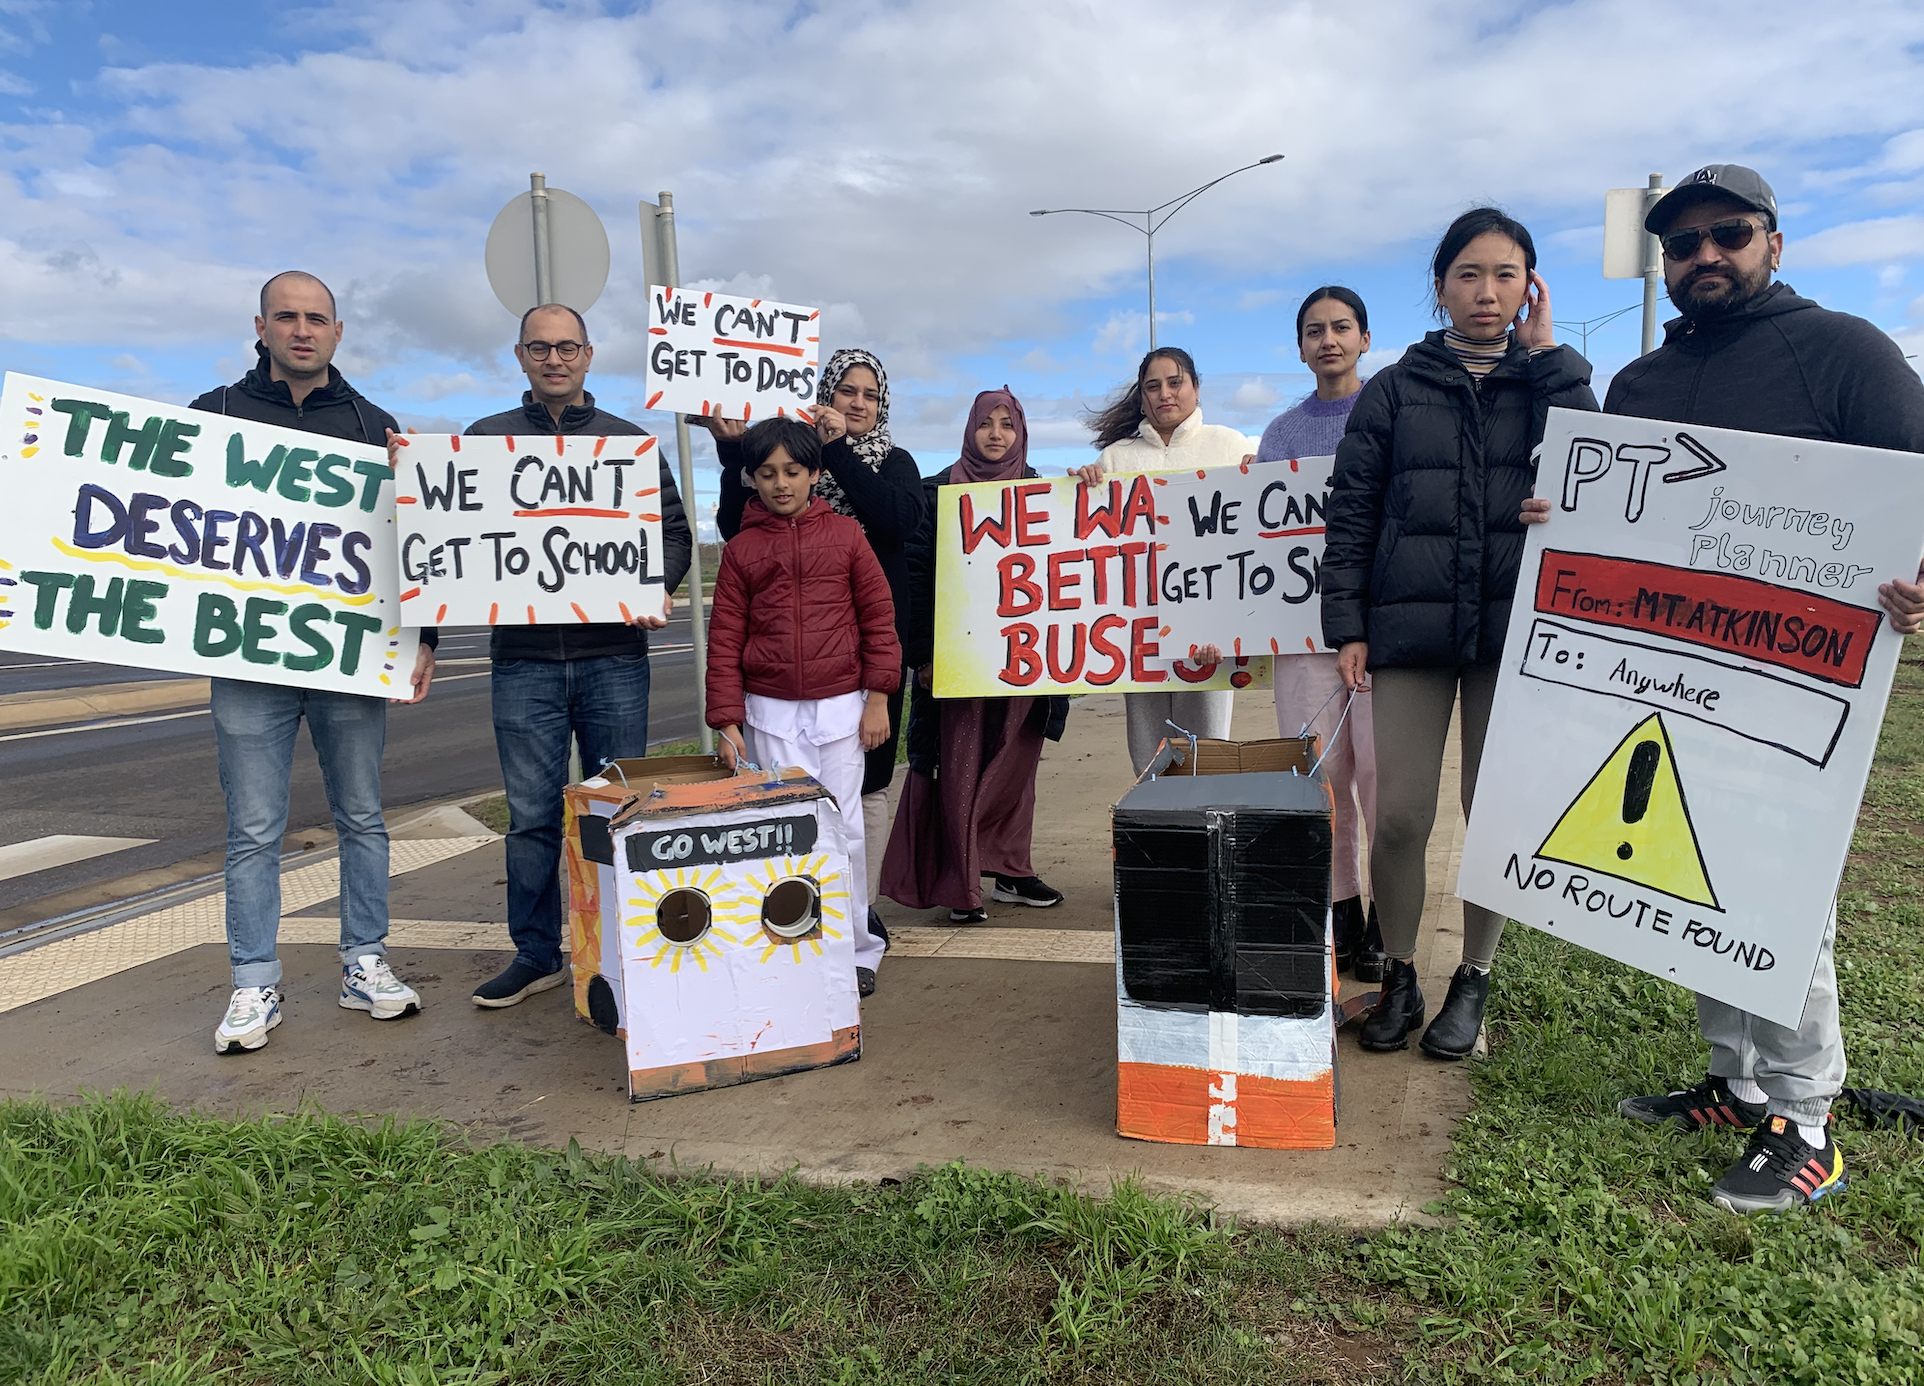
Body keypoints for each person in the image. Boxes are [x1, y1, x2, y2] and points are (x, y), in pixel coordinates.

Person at [1522, 164, 1924, 1214]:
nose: (1703, 255)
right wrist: (1556, 517)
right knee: (1688, 877)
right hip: (1669, 673)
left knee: (1783, 886)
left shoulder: (1846, 353)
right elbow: (1616, 514)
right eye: (1682, 242)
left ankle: (1806, 1118)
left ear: (1773, 243)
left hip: (1799, 678)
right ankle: (1734, 1080)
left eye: (1727, 234)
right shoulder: (1641, 385)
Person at [1322, 208, 1598, 1061]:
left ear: (1532, 286)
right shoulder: (1395, 390)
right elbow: (1354, 511)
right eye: (1470, 275)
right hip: (1408, 630)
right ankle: (1399, 972)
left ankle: (1473, 975)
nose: (1488, 293)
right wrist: (1348, 624)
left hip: (1514, 630)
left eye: (1507, 275)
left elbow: (1598, 468)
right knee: (1400, 815)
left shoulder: (1547, 380)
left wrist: (1552, 361)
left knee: (1496, 814)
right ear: (1440, 287)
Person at [189, 270, 438, 1054]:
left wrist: (425, 640)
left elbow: (414, 545)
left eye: (317, 319)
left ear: (337, 333)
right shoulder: (213, 416)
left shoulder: (375, 425)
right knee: (253, 827)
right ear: (260, 327)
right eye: (287, 317)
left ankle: (365, 960)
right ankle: (253, 979)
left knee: (361, 815)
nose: (302, 330)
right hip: (248, 658)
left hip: (350, 659)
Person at [464, 304, 692, 1009]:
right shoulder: (483, 440)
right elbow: (449, 538)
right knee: (530, 815)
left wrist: (656, 585)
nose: (554, 358)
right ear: (521, 355)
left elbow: (675, 532)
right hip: (523, 660)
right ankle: (536, 953)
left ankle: (625, 948)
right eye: (541, 347)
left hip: (613, 659)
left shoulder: (628, 445)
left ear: (589, 355)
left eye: (567, 347)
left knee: (617, 811)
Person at [704, 348, 924, 948]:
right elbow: (727, 618)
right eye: (845, 391)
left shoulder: (882, 476)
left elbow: (892, 529)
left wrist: (878, 691)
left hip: (851, 685)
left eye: (869, 395)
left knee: (855, 809)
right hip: (775, 702)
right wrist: (733, 451)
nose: (857, 402)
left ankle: (858, 927)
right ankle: (797, 936)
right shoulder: (751, 539)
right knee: (784, 823)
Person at [883, 388, 1069, 923]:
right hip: (959, 665)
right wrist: (923, 654)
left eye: (1007, 424)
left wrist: (1086, 491)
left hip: (1026, 662)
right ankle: (959, 884)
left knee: (1015, 769)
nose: (995, 434)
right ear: (968, 429)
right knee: (959, 768)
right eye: (985, 423)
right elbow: (916, 578)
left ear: (1021, 433)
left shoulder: (1045, 494)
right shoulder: (937, 492)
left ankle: (1010, 868)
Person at [1257, 287, 1382, 979]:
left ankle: (1391, 923)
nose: (1328, 339)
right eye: (1314, 330)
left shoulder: (1391, 412)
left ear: (1365, 337)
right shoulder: (1279, 435)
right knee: (1321, 782)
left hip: (1382, 632)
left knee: (1383, 782)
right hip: (1303, 635)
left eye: (1341, 327)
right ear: (1300, 347)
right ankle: (1344, 913)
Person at [1074, 348, 1256, 774]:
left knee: (1207, 753)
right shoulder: (1116, 458)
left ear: (1195, 387)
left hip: (1211, 629)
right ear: (1141, 398)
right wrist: (1082, 489)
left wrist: (1258, 473)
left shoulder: (1230, 445)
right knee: (1150, 758)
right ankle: (1158, 833)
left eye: (1175, 382)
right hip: (1139, 630)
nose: (1164, 394)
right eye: (1152, 386)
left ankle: (1205, 833)